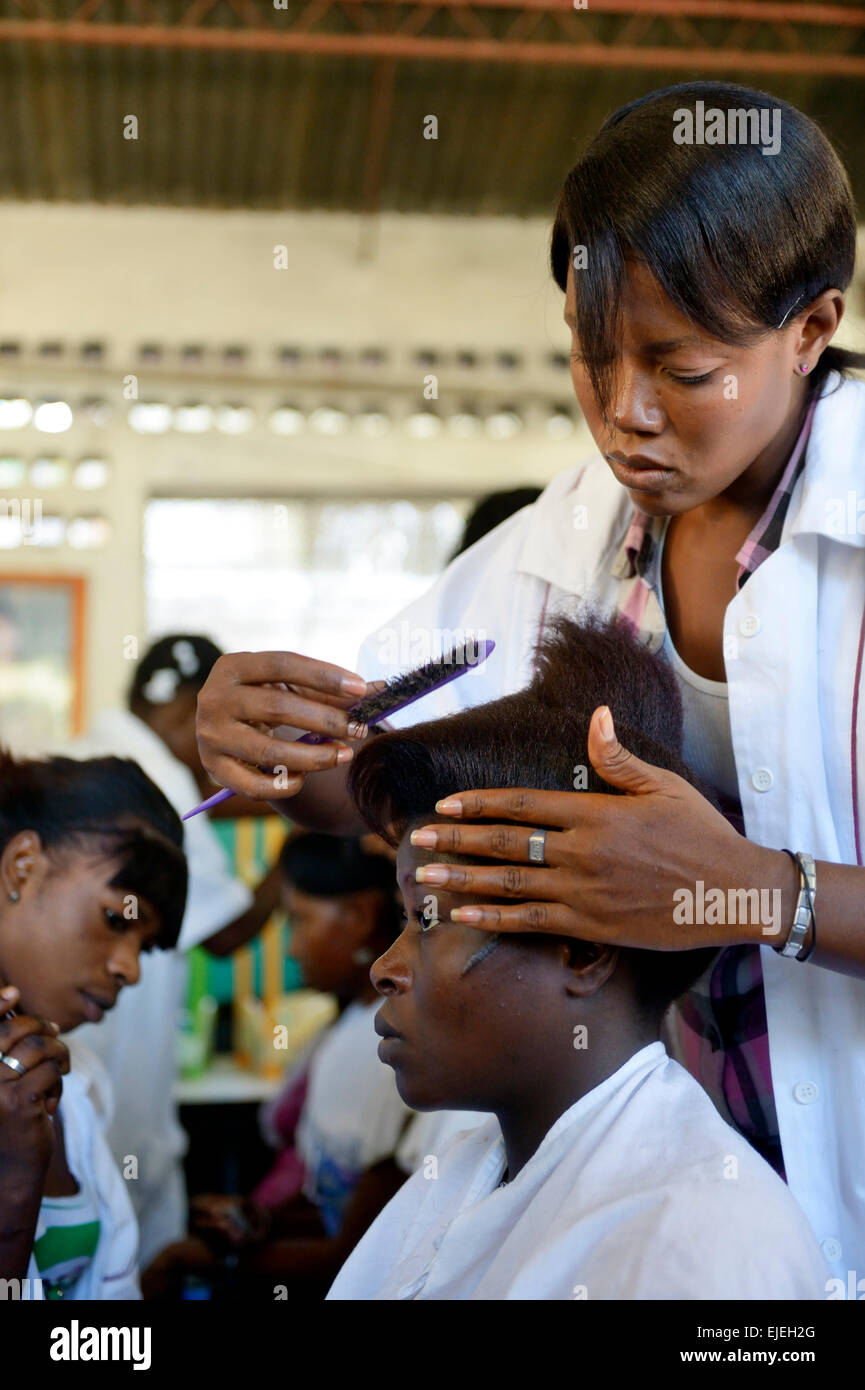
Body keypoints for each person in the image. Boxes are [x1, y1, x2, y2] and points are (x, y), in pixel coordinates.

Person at [193, 80, 865, 1281]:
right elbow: (381, 773)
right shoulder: (566, 542)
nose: (622, 412)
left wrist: (768, 892)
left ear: (811, 327)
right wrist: (272, 752)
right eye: (587, 353)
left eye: (679, 365)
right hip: (657, 1201)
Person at [328, 615, 828, 1299]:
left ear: (583, 951)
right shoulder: (464, 1173)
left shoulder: (701, 1241)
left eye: (428, 919)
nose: (383, 967)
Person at [64, 634, 284, 1266]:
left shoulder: (89, 756)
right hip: (117, 1096)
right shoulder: (157, 782)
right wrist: (287, 869)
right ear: (197, 706)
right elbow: (224, 934)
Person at [141, 833, 413, 1299]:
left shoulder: (394, 1052)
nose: (291, 949)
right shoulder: (346, 1028)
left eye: (300, 920)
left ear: (363, 917)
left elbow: (353, 1253)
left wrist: (221, 1265)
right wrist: (259, 1221)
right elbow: (330, 1201)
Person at [0, 748, 187, 1299]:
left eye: (144, 946)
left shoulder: (74, 1088)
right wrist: (12, 1188)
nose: (128, 969)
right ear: (23, 867)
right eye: (115, 918)